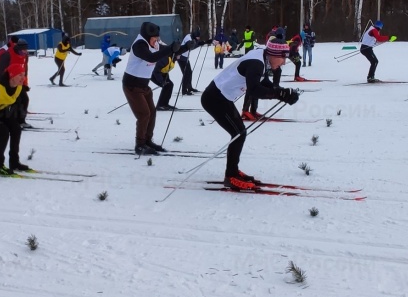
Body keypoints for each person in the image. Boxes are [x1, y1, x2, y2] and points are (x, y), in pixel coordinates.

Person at [202, 46, 299, 190]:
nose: (284, 62)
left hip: (222, 97)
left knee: (239, 133)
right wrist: (279, 95)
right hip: (214, 99)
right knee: (238, 133)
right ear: (273, 54)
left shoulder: (262, 58)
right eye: (283, 58)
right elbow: (254, 90)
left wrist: (283, 92)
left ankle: (233, 171)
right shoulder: (257, 63)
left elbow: (263, 83)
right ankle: (231, 176)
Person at [123, 22, 189, 155]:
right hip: (132, 85)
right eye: (154, 39)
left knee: (152, 112)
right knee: (144, 114)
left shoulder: (155, 44)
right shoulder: (139, 45)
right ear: (148, 37)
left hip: (143, 85)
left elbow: (170, 50)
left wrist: (185, 47)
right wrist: (170, 49)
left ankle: (147, 140)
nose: (156, 41)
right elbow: (151, 57)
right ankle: (140, 144)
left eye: (157, 38)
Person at [0, 37, 32, 128]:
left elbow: (24, 71)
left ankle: (21, 121)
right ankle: (2, 119)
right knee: (11, 101)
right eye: (23, 50)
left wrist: (25, 84)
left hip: (18, 82)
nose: (25, 52)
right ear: (18, 48)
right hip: (7, 82)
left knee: (24, 99)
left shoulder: (25, 56)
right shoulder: (7, 55)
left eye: (26, 50)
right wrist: (3, 84)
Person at [176, 27, 207, 95]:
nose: (197, 39)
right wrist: (198, 44)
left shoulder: (191, 37)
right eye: (197, 37)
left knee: (189, 72)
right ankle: (184, 90)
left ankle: (189, 87)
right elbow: (191, 46)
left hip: (185, 57)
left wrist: (202, 42)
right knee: (186, 73)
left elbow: (195, 44)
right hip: (181, 57)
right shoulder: (188, 38)